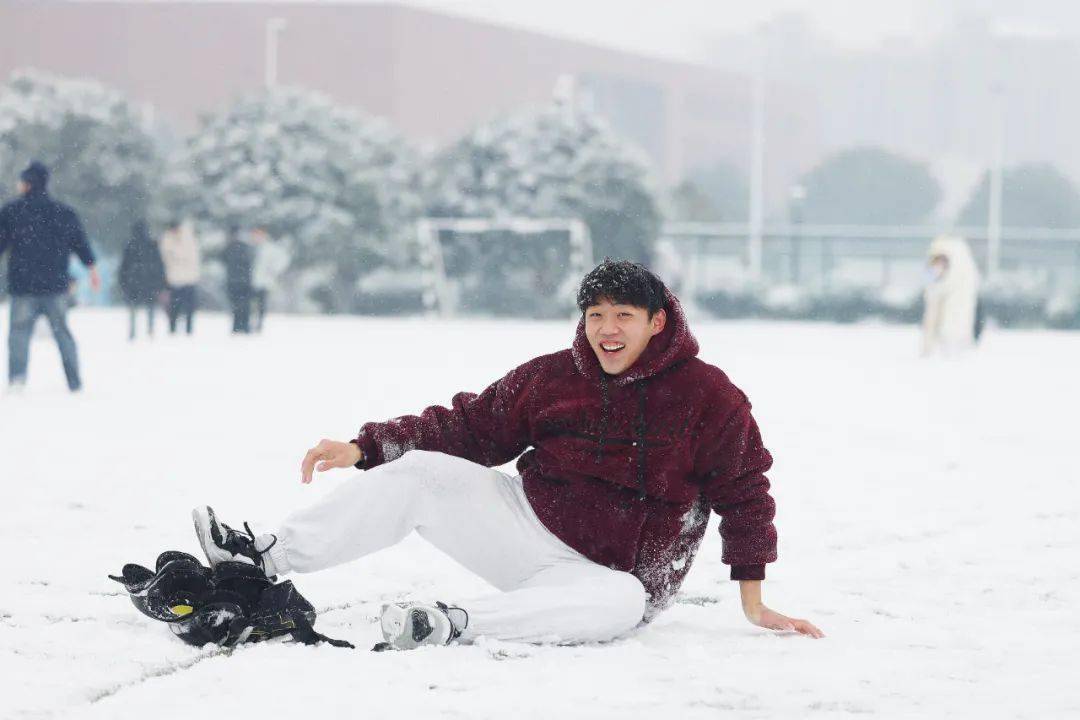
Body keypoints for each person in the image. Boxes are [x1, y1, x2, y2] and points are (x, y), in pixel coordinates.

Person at [192, 259, 823, 650]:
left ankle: (449, 624)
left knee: (622, 607)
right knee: (424, 474)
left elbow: (746, 493)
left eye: (623, 316)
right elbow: (469, 428)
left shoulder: (709, 396)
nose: (606, 329)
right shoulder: (554, 376)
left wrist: (754, 600)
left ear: (658, 322)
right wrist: (364, 447)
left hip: (609, 579)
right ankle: (266, 557)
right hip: (523, 528)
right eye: (595, 314)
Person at [0, 161, 100, 392]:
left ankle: (17, 380)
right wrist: (92, 269)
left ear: (27, 183)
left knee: (19, 334)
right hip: (55, 286)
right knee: (62, 333)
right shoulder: (63, 213)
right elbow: (80, 244)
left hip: (22, 286)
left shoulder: (12, 212)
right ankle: (74, 382)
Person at [921, 234, 980, 356]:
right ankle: (931, 347)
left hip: (960, 290)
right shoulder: (932, 270)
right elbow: (930, 301)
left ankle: (954, 347)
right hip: (942, 285)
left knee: (954, 319)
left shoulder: (961, 270)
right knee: (933, 315)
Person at [118, 220, 166, 340]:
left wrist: (123, 282)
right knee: (150, 308)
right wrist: (160, 283)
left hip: (133, 283)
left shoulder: (130, 245)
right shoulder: (152, 245)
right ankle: (150, 332)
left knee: (133, 310)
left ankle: (133, 333)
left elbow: (124, 267)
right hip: (149, 283)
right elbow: (159, 266)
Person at [159, 219, 200, 336]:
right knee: (174, 307)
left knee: (188, 308)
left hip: (188, 278)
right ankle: (172, 329)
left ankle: (188, 330)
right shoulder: (167, 240)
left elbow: (192, 258)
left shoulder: (188, 239)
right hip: (174, 279)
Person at [249, 227, 289, 333]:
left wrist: (273, 271)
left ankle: (259, 325)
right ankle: (250, 323)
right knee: (250, 304)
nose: (256, 237)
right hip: (250, 281)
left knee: (261, 304)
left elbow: (282, 261)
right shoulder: (250, 247)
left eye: (259, 235)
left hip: (264, 282)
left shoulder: (270, 248)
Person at [223, 227, 254, 334]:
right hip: (243, 281)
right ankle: (243, 326)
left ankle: (237, 326)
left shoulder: (229, 247)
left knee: (237, 305)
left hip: (234, 281)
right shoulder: (245, 247)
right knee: (243, 305)